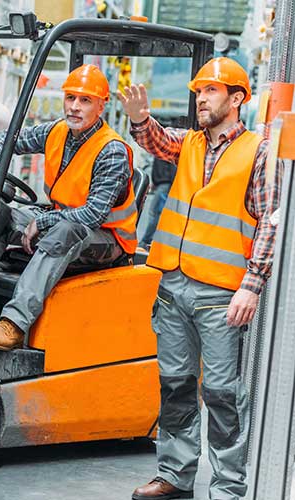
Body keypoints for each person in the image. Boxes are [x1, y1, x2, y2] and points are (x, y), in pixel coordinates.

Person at [117, 57, 283, 500]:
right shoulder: (189, 143)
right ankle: (175, 475)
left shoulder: (259, 151)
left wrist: (253, 284)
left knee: (223, 394)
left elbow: (271, 221)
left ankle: (228, 487)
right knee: (174, 385)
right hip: (173, 287)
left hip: (220, 294)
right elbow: (158, 141)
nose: (200, 98)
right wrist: (140, 120)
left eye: (210, 90)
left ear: (237, 98)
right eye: (198, 91)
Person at [0, 64, 138, 351]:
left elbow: (93, 215)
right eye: (70, 98)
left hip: (107, 239)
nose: (74, 106)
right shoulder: (57, 131)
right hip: (61, 220)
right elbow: (10, 137)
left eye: (85, 100)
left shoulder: (111, 150)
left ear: (101, 106)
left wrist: (44, 223)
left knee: (64, 231)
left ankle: (14, 323)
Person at [139, 157, 176, 251]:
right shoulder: (163, 151)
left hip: (165, 184)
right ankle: (149, 241)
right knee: (156, 213)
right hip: (162, 184)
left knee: (155, 214)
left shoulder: (167, 150)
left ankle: (146, 241)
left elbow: (172, 168)